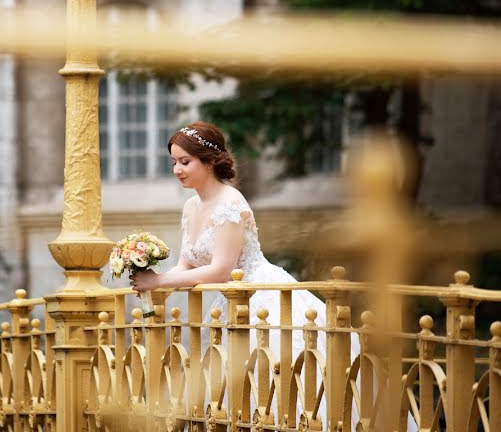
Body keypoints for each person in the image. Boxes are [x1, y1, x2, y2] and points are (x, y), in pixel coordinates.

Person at [130, 121, 358, 424]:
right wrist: (154, 285)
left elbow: (221, 268)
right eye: (174, 162)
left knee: (272, 381)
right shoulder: (190, 207)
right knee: (228, 390)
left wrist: (158, 280)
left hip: (259, 295)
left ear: (209, 161)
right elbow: (187, 264)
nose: (177, 170)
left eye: (185, 162)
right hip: (229, 301)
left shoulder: (230, 202)